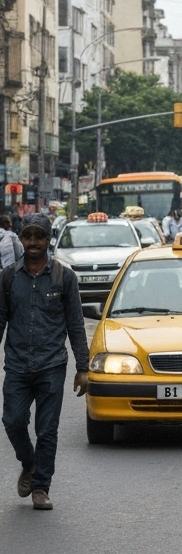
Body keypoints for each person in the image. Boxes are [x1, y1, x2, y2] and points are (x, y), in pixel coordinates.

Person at [0, 214, 87, 510]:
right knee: (12, 421)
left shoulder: (65, 277)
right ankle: (29, 462)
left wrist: (83, 368)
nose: (33, 242)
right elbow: (0, 321)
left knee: (47, 430)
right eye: (28, 236)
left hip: (51, 365)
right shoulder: (9, 276)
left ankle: (41, 487)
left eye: (39, 236)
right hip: (16, 365)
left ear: (49, 239)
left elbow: (76, 325)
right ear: (21, 239)